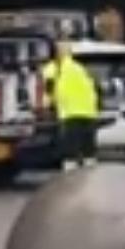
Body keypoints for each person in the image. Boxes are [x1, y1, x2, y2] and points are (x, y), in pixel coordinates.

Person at [42, 39, 100, 170]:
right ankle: (89, 176)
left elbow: (48, 89)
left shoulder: (53, 68)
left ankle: (70, 179)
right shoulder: (79, 68)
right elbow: (93, 87)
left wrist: (45, 106)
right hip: (89, 112)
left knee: (70, 151)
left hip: (70, 113)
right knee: (88, 150)